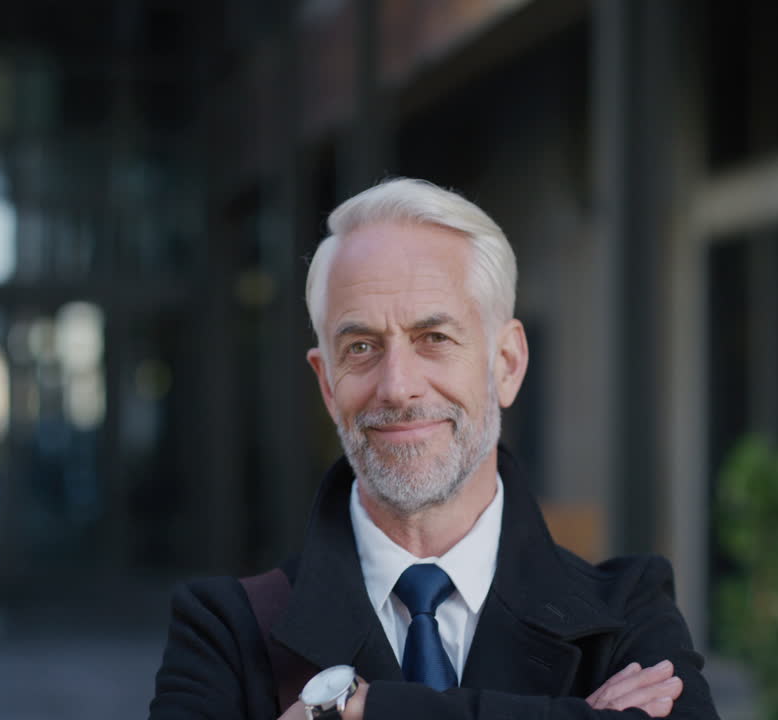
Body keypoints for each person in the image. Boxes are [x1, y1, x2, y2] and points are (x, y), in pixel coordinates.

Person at [149, 178, 720, 720]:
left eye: (435, 338)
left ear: (507, 364)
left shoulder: (628, 609)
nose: (397, 386)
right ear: (327, 384)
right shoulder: (225, 628)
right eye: (362, 346)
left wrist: (374, 710)